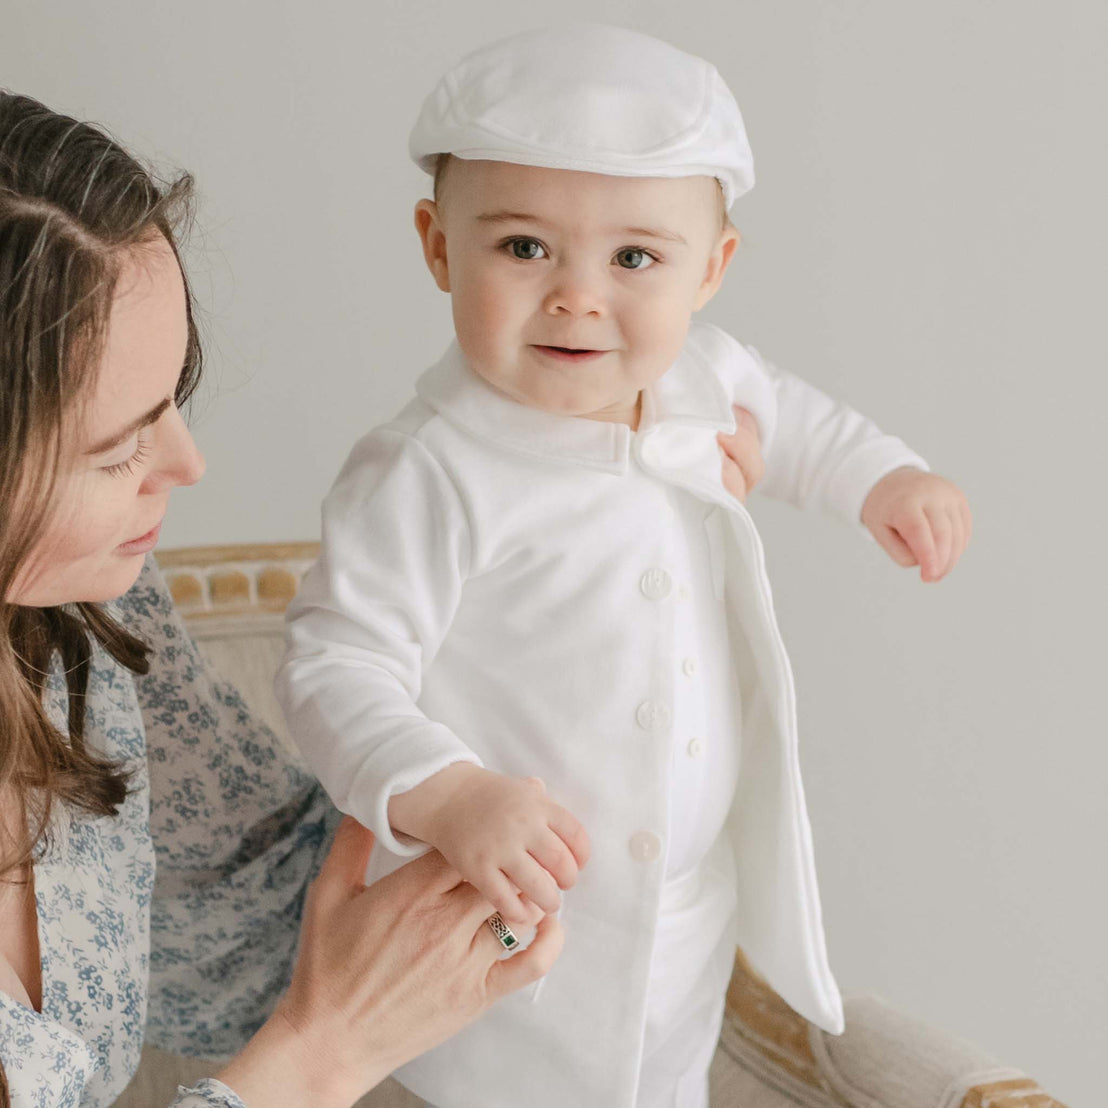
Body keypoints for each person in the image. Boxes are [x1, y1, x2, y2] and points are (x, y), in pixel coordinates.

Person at [276, 24, 973, 1108]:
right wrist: (447, 791)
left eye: (633, 258)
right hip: (496, 925)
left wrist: (887, 479)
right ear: (435, 246)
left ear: (711, 271)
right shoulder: (432, 468)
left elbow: (795, 423)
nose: (577, 296)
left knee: (662, 1081)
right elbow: (333, 666)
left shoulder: (704, 374)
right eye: (521, 247)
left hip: (682, 918)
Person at [0, 90, 571, 1108]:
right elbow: (319, 1005)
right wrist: (323, 1053)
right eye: (117, 445)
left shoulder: (79, 626)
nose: (185, 462)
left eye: (174, 395)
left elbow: (264, 901)